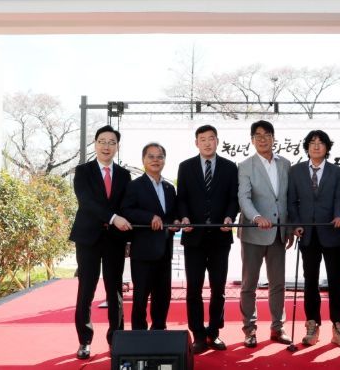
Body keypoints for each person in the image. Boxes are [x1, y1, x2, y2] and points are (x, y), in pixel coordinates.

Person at [69, 125, 132, 359]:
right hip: (88, 238)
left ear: (117, 146)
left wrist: (128, 239)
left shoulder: (124, 175)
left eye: (112, 142)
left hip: (115, 240)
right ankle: (84, 340)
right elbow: (86, 202)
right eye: (102, 141)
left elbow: (126, 207)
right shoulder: (83, 171)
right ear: (95, 144)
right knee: (86, 288)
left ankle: (116, 339)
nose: (106, 146)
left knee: (115, 290)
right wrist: (113, 218)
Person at [287, 130, 340, 348]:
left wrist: (339, 215)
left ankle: (338, 325)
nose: (316, 146)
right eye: (312, 142)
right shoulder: (295, 171)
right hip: (307, 234)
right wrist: (296, 224)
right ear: (307, 147)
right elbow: (292, 202)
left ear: (327, 147)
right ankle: (312, 324)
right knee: (310, 282)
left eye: (321, 142)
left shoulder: (338, 173)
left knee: (336, 281)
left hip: (333, 231)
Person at [177, 125, 239, 353]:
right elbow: (181, 197)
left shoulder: (230, 167)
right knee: (193, 288)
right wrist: (184, 217)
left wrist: (230, 216)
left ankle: (214, 332)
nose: (206, 143)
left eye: (211, 138)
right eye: (202, 139)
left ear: (217, 141)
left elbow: (234, 198)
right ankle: (198, 334)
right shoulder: (185, 167)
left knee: (218, 288)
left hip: (220, 237)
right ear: (196, 143)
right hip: (193, 237)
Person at [238, 120, 293, 348]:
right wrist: (256, 217)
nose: (263, 139)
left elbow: (288, 198)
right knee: (249, 284)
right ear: (252, 140)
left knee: (278, 283)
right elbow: (244, 198)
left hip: (279, 233)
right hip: (254, 233)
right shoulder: (245, 166)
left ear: (273, 138)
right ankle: (249, 329)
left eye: (267, 134)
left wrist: (289, 228)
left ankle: (277, 328)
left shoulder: (285, 164)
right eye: (258, 135)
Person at [121, 143, 179, 332]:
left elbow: (171, 214)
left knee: (163, 296)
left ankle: (159, 331)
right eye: (151, 156)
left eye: (159, 157)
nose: (155, 160)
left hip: (165, 250)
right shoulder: (134, 186)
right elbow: (126, 210)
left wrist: (175, 222)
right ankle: (139, 334)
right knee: (140, 296)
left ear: (164, 160)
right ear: (143, 160)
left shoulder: (170, 188)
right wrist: (149, 217)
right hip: (143, 251)